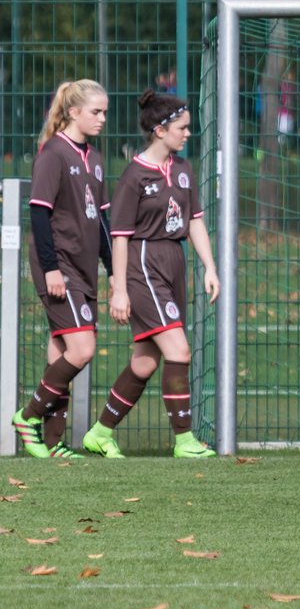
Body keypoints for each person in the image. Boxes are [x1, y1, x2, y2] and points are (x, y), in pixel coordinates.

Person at [81, 90, 220, 458]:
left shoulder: (184, 169)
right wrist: (120, 289)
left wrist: (210, 266)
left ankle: (99, 432)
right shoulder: (134, 177)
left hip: (173, 262)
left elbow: (194, 221)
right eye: (182, 128)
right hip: (144, 265)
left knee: (145, 361)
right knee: (179, 350)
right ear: (160, 130)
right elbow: (121, 237)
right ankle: (185, 440)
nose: (188, 134)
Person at [12, 80, 113, 459]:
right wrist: (51, 268)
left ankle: (52, 444)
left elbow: (102, 222)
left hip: (85, 269)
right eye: (95, 112)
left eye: (105, 111)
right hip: (59, 266)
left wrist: (112, 270)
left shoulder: (96, 159)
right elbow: (39, 214)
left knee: (61, 351)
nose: (102, 118)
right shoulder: (53, 154)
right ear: (73, 112)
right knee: (83, 348)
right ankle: (28, 416)